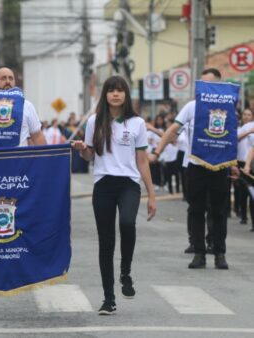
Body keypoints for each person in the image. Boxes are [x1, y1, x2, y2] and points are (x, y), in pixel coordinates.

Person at [71, 76, 156, 315]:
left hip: (128, 184)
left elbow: (142, 161)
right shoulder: (94, 121)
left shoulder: (137, 123)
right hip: (103, 184)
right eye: (111, 91)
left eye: (120, 90)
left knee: (128, 223)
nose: (115, 94)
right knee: (106, 242)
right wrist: (82, 149)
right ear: (105, 95)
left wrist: (152, 195)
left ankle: (125, 272)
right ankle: (108, 298)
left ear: (126, 95)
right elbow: (90, 156)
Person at [149, 68, 236, 270]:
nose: (205, 88)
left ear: (219, 86)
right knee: (196, 210)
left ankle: (219, 253)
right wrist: (157, 152)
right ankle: (199, 253)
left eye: (210, 84)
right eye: (202, 84)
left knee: (219, 211)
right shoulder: (191, 107)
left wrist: (235, 164)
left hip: (219, 166)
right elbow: (173, 129)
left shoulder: (229, 105)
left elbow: (231, 137)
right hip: (196, 166)